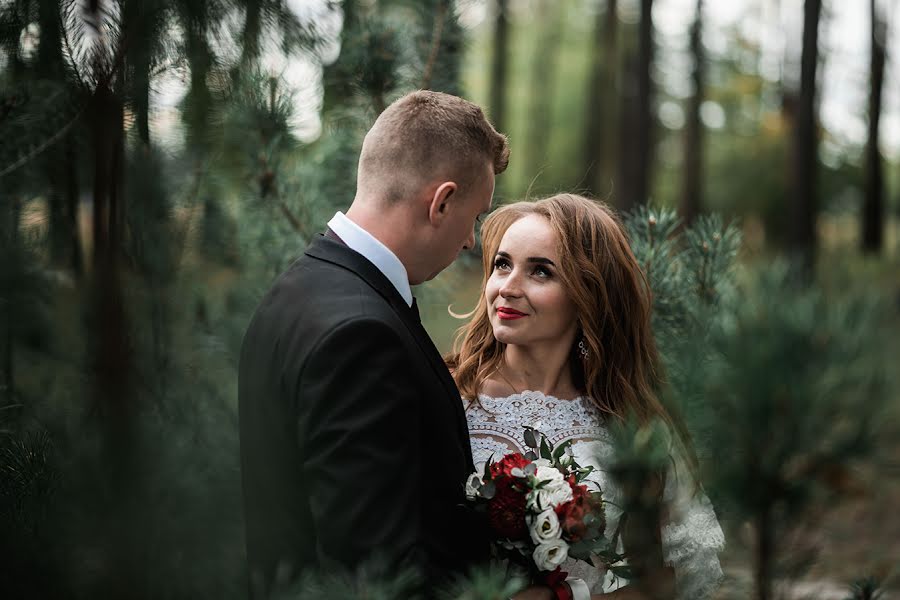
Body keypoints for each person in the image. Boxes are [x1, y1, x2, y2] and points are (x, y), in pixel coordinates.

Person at [238, 90, 510, 597]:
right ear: (442, 201)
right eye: (475, 216)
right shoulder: (361, 336)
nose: (472, 240)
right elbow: (376, 570)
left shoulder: (296, 290)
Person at [448, 194, 725, 600]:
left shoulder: (631, 424)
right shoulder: (449, 398)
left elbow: (665, 580)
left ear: (587, 295)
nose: (507, 287)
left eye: (540, 272)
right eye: (502, 264)